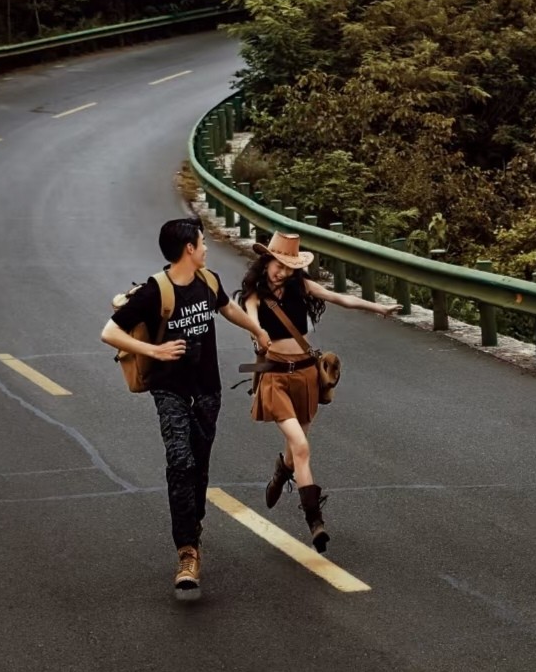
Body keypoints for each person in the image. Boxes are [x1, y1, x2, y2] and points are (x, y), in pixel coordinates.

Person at [101, 217, 271, 600]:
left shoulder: (208, 281)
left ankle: (193, 528)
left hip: (208, 391)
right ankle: (187, 552)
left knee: (199, 468)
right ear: (188, 249)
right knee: (181, 463)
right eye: (202, 242)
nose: (206, 247)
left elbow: (227, 308)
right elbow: (109, 332)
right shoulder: (154, 291)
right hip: (170, 392)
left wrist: (257, 330)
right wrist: (155, 350)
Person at [238, 229, 398, 554]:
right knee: (301, 446)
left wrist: (378, 308)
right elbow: (251, 321)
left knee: (296, 450)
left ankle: (281, 473)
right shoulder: (254, 296)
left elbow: (340, 298)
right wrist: (258, 334)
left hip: (306, 375)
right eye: (278, 266)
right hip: (276, 378)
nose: (282, 273)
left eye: (288, 268)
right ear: (266, 261)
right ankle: (316, 522)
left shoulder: (301, 286)